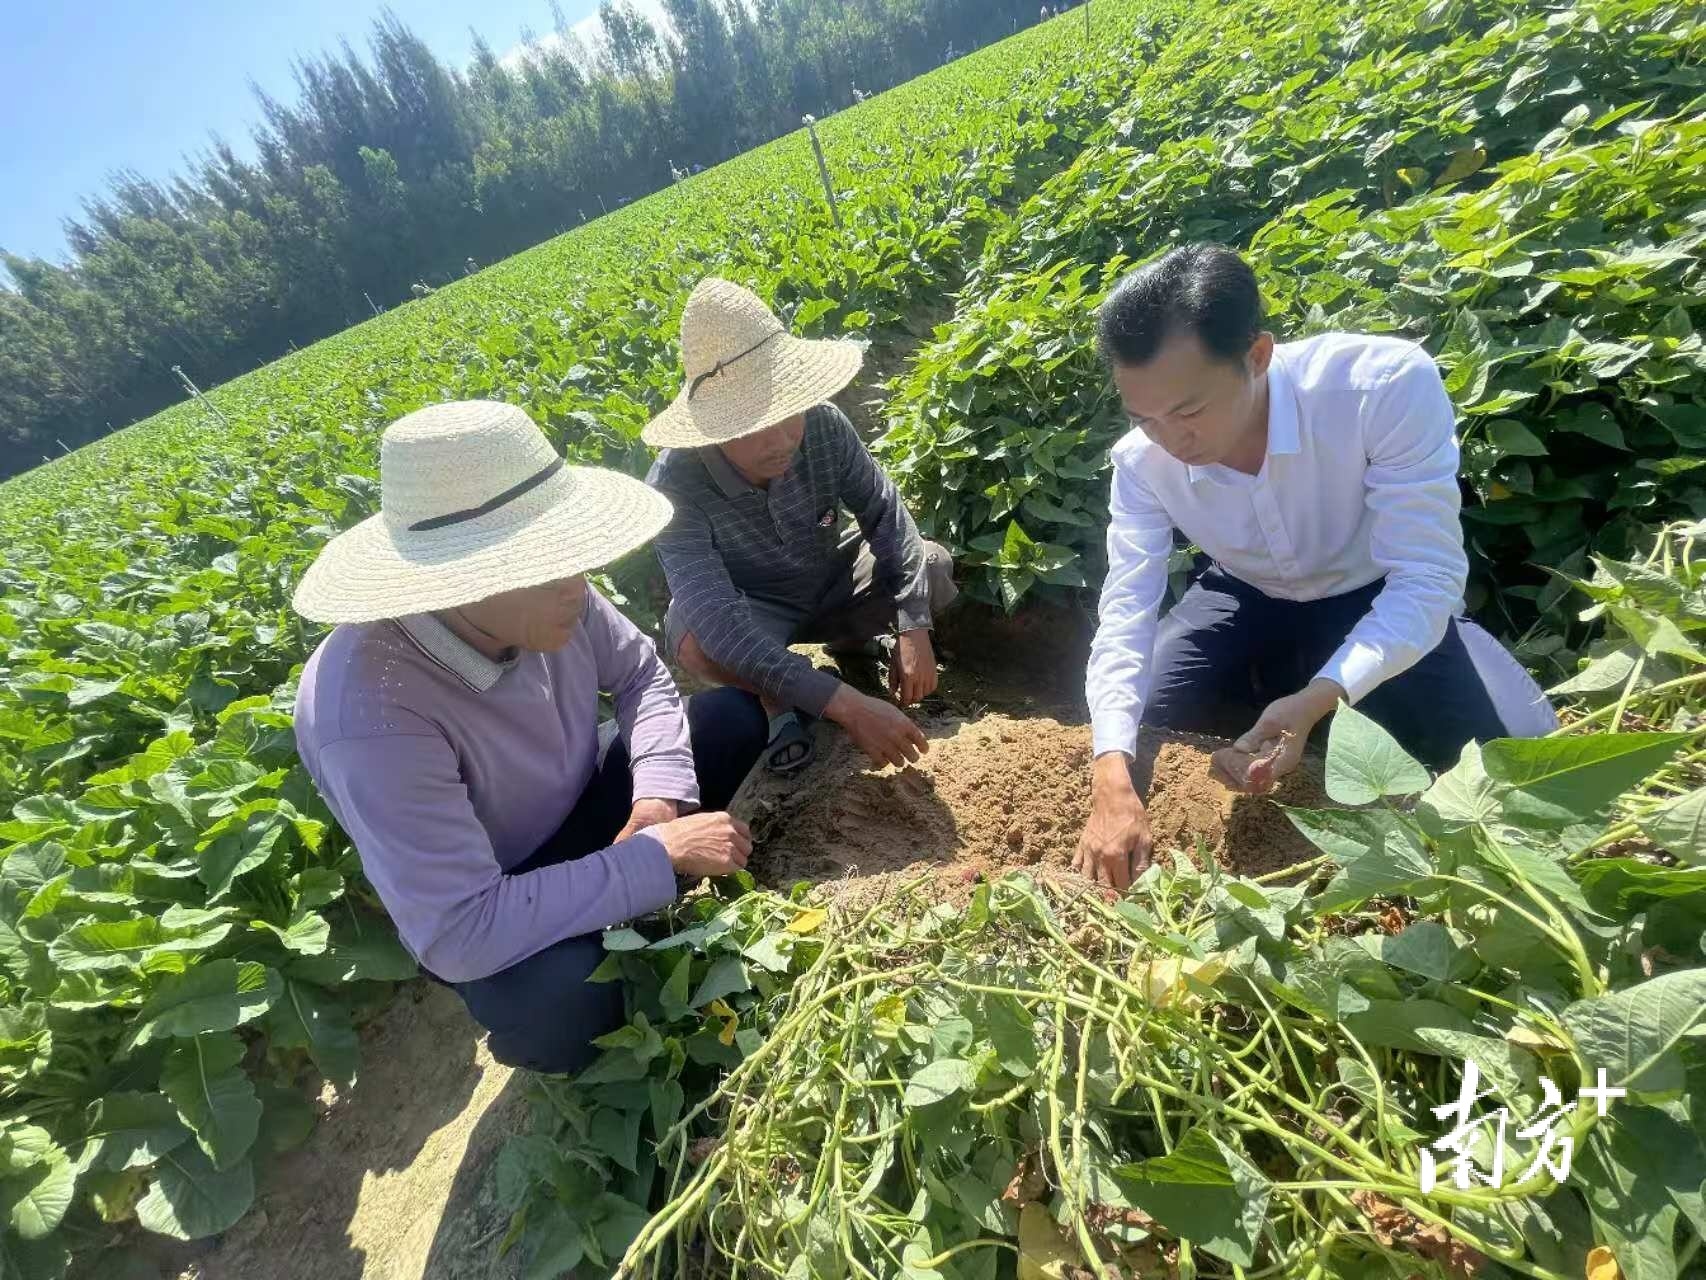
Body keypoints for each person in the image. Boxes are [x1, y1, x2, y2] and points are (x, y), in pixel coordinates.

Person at [291, 400, 767, 1074]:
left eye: (569, 552)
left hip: (580, 804)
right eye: (545, 562)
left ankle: (624, 909)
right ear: (454, 578)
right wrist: (654, 859)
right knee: (564, 1005)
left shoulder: (552, 591)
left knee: (726, 721)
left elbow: (640, 675)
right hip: (493, 893)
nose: (578, 583)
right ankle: (587, 964)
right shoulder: (367, 715)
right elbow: (459, 928)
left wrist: (657, 800)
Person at [1076, 243, 1555, 890]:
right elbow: (1125, 614)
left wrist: (1317, 699)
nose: (1170, 439)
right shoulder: (1141, 463)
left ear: (1257, 356)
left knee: (1513, 765)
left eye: (1188, 411)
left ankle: (1311, 686)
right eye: (1144, 418)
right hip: (1245, 593)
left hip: (1374, 589)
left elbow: (1426, 579)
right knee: (1141, 720)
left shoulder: (1380, 388)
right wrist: (1109, 774)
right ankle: (1283, 685)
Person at [643, 278, 958, 776]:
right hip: (753, 609)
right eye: (756, 427)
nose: (783, 439)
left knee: (932, 564)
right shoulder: (675, 485)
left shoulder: (825, 425)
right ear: (714, 429)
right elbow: (721, 622)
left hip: (828, 578)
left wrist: (914, 623)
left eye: (790, 415)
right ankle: (777, 698)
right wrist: (846, 705)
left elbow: (884, 514)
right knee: (696, 640)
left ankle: (851, 646)